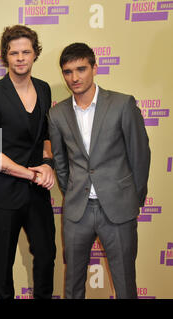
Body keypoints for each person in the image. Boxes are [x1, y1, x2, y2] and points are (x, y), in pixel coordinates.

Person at [48, 42, 150, 299]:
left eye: (81, 69)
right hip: (77, 212)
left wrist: (131, 199)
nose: (74, 77)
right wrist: (72, 190)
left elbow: (140, 155)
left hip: (117, 209)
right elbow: (60, 162)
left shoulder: (122, 104)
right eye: (68, 72)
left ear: (95, 67)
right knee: (72, 286)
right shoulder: (57, 114)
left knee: (125, 285)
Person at [0, 25, 56, 299]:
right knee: (3, 264)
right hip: (4, 193)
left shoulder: (44, 90)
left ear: (35, 54)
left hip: (38, 194)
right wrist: (31, 174)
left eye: (26, 52)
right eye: (14, 53)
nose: (20, 57)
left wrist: (47, 166)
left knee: (46, 257)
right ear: (5, 57)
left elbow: (46, 136)